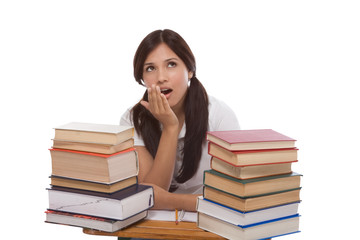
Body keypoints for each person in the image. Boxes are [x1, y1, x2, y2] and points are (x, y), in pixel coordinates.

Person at [120, 29, 240, 212]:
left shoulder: (219, 114)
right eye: (150, 68)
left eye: (171, 64)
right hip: (158, 223)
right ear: (142, 78)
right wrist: (170, 127)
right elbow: (150, 196)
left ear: (190, 70)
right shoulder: (132, 119)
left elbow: (232, 197)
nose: (161, 78)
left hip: (212, 219)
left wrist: (171, 201)